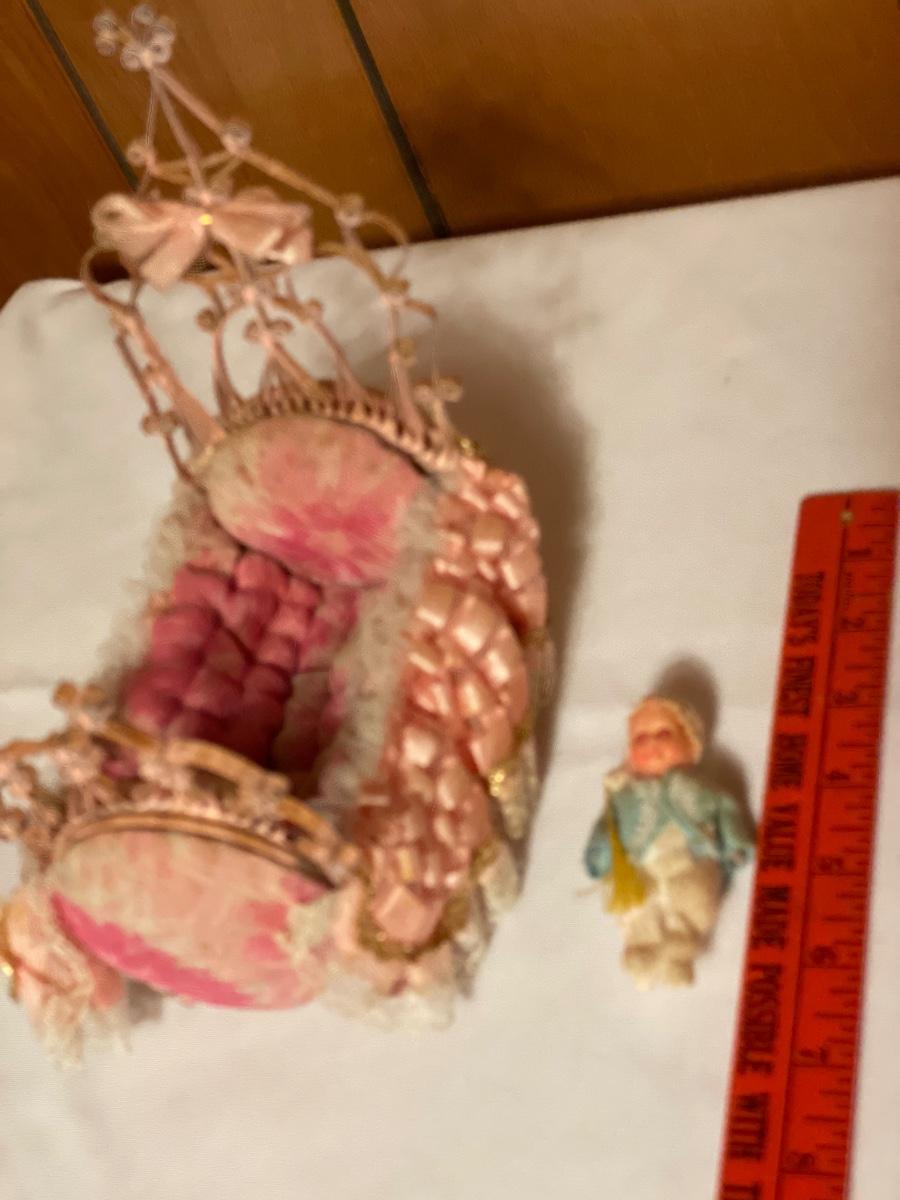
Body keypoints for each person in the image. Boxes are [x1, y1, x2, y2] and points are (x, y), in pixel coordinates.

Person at [584, 696, 754, 988]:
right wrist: (599, 854)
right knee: (638, 907)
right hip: (640, 868)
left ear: (691, 745)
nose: (651, 743)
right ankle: (642, 948)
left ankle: (681, 949)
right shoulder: (625, 796)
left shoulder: (699, 789)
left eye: (664, 734)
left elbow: (724, 810)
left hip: (691, 861)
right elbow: (607, 826)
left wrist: (735, 842)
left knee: (692, 901)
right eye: (640, 738)